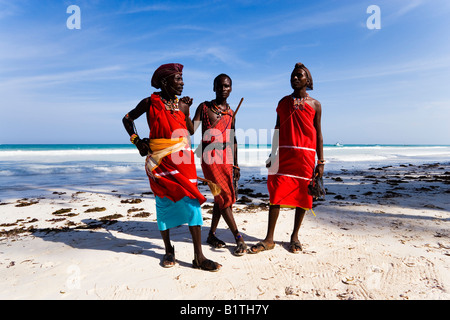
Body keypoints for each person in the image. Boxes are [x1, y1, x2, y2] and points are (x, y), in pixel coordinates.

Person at [122, 63, 221, 271]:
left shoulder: (182, 106)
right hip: (160, 161)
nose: (182, 83)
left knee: (192, 202)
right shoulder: (150, 102)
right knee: (163, 203)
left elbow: (190, 131)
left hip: (184, 161)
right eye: (178, 79)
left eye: (182, 79)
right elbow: (127, 119)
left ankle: (199, 257)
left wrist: (190, 110)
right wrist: (137, 140)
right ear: (165, 82)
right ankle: (168, 249)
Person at [250, 62, 324, 254]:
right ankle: (269, 239)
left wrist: (321, 161)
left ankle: (294, 237)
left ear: (308, 80)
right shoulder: (283, 102)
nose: (295, 78)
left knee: (303, 196)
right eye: (293, 75)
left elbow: (319, 134)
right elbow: (277, 130)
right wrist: (272, 154)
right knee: (275, 195)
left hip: (305, 157)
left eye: (299, 75)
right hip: (283, 155)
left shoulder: (315, 104)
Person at [192, 74, 247, 256]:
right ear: (214, 87)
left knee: (220, 196)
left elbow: (233, 139)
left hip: (227, 156)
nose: (223, 89)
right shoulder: (204, 107)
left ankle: (211, 234)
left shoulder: (231, 113)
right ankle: (238, 237)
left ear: (231, 88)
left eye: (227, 86)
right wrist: (185, 110)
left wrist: (236, 164)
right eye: (220, 86)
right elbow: (191, 129)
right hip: (210, 156)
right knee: (223, 195)